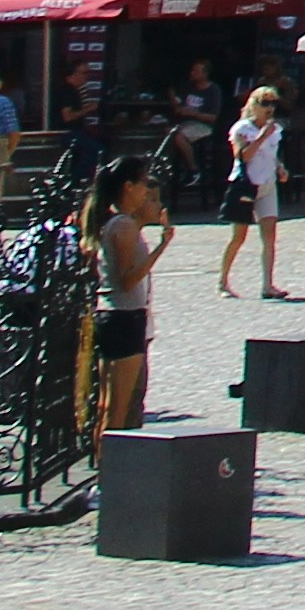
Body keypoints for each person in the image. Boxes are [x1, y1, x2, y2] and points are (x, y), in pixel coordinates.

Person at [93, 155, 173, 432]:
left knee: (108, 404)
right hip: (124, 316)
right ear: (128, 187)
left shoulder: (116, 223)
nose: (144, 192)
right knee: (118, 407)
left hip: (115, 315)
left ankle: (103, 453)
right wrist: (160, 249)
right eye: (142, 185)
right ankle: (110, 456)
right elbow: (127, 279)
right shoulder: (123, 225)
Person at [219, 80, 291, 299]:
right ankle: (223, 281)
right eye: (264, 103)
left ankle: (268, 285)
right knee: (238, 237)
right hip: (246, 186)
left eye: (272, 104)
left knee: (269, 236)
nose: (269, 108)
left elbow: (271, 154)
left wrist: (280, 167)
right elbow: (243, 156)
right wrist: (261, 137)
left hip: (268, 185)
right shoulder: (242, 129)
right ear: (254, 105)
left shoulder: (275, 130)